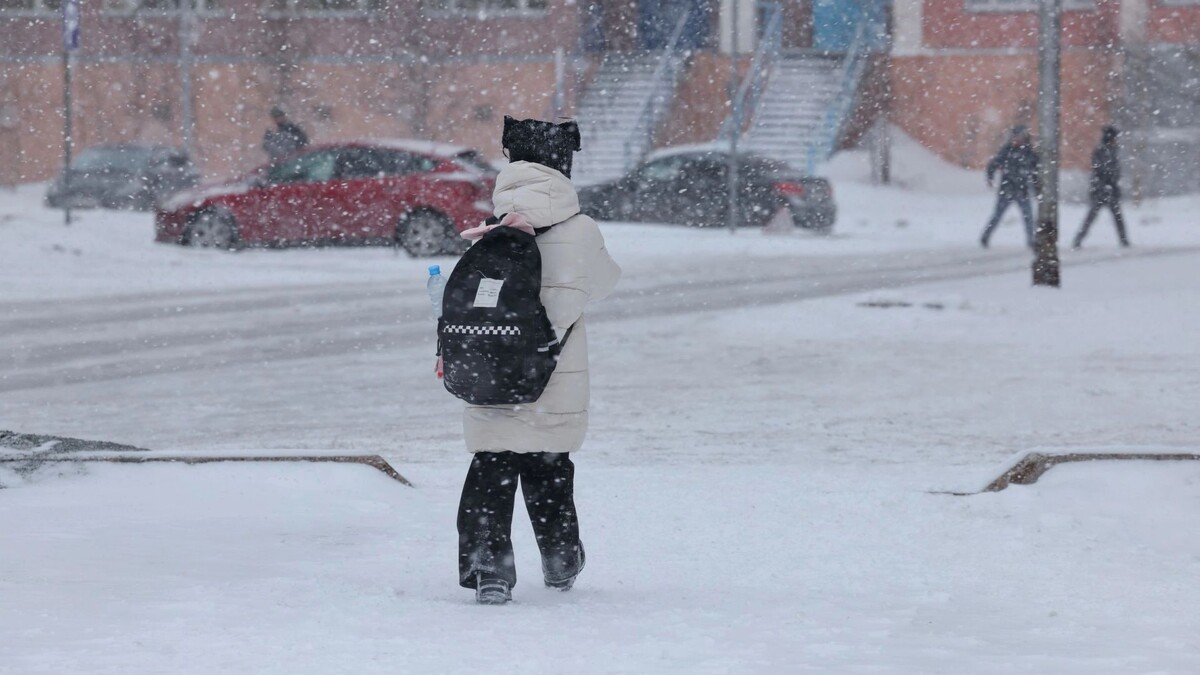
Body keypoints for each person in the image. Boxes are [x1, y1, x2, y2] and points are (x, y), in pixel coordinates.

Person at [454, 116, 620, 605]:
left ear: (512, 164)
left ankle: (490, 572)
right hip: (553, 376)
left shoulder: (488, 230)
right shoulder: (582, 229)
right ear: (563, 166)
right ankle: (561, 559)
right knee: (549, 468)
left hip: (491, 374)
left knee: (492, 469)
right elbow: (607, 283)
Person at [981, 125, 1041, 249]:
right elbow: (993, 164)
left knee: (1028, 217)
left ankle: (1031, 241)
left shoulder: (1029, 153)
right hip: (1007, 189)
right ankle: (985, 237)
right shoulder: (1006, 151)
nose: (1016, 140)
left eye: (1019, 137)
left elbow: (1035, 172)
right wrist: (990, 177)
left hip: (1022, 190)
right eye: (1014, 137)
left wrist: (1037, 188)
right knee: (997, 216)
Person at [1072, 126, 1129, 249]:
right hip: (1102, 190)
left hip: (1108, 190)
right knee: (1093, 217)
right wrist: (1108, 183)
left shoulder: (1111, 150)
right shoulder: (1102, 151)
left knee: (1113, 217)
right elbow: (1103, 170)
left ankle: (1124, 240)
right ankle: (1078, 239)